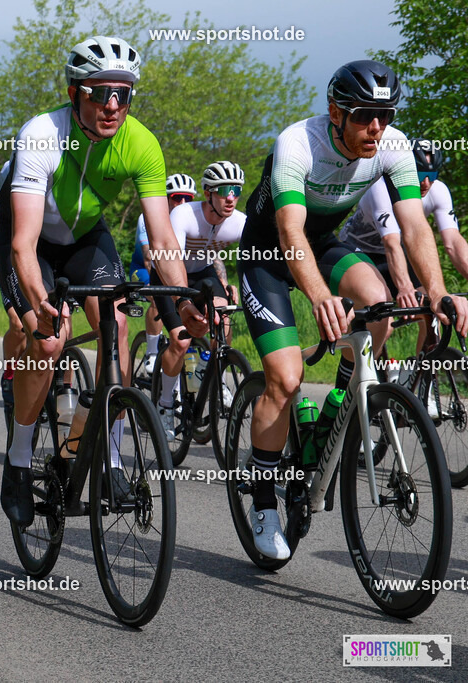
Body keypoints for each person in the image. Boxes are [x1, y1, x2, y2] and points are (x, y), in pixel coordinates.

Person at [236, 60, 468, 560]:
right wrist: (320, 297)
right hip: (267, 254)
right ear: (335, 112)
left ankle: (341, 400)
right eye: (364, 115)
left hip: (321, 244)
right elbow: (289, 231)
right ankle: (263, 500)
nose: (376, 127)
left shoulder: (393, 146)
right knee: (286, 379)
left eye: (385, 115)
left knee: (378, 306)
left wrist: (437, 291)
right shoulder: (298, 143)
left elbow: (415, 227)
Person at [0, 35, 203, 526]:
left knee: (119, 327)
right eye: (100, 93)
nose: (113, 105)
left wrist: (181, 304)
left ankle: (107, 457)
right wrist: (41, 304)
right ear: (75, 94)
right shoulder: (42, 134)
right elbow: (23, 244)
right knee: (48, 341)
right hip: (30, 242)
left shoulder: (142, 142)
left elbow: (162, 238)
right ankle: (19, 459)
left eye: (123, 94)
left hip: (87, 239)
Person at [339, 138, 464, 369]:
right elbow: (391, 243)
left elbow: (453, 243)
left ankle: (422, 377)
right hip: (360, 251)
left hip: (396, 253)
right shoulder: (381, 188)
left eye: (433, 175)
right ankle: (365, 378)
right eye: (419, 175)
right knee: (383, 322)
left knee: (431, 308)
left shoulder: (438, 191)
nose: (426, 183)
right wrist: (405, 287)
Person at [152, 161, 246, 437]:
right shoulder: (184, 214)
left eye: (237, 191)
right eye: (224, 190)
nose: (231, 197)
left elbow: (252, 259)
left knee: (223, 321)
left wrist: (230, 285)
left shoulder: (239, 222)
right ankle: (166, 404)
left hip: (203, 273)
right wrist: (183, 301)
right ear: (208, 193)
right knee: (180, 341)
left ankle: (217, 381)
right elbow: (172, 261)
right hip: (168, 273)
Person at [131, 173, 198, 380]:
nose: (182, 203)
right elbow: (148, 258)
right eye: (177, 197)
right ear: (166, 199)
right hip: (143, 270)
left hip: (177, 271)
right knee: (156, 294)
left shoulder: (192, 219)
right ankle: (151, 352)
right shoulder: (148, 217)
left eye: (188, 198)